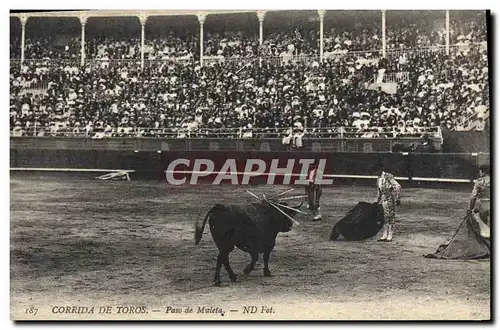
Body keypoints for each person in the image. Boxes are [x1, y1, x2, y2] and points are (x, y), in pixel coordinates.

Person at [373, 163, 401, 242]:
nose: (376, 173)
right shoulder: (378, 179)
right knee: (384, 217)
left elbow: (397, 186)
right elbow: (379, 192)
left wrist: (397, 198)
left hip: (390, 198)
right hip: (383, 199)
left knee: (390, 216)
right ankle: (385, 235)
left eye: (376, 171)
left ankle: (390, 235)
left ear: (380, 170)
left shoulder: (388, 176)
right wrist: (376, 201)